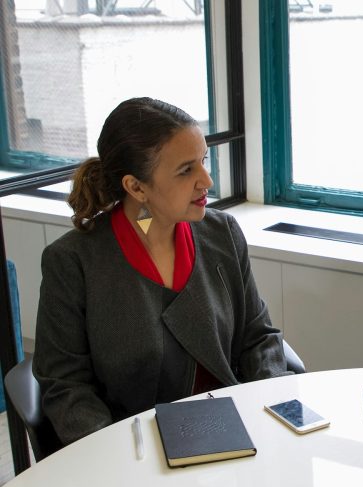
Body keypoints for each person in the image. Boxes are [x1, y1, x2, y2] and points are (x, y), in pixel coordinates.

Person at [33, 97, 291, 445]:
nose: (207, 181)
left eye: (203, 161)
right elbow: (66, 384)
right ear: (136, 187)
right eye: (186, 170)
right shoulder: (73, 261)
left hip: (234, 427)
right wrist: (110, 453)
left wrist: (270, 405)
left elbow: (258, 337)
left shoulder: (223, 234)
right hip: (134, 447)